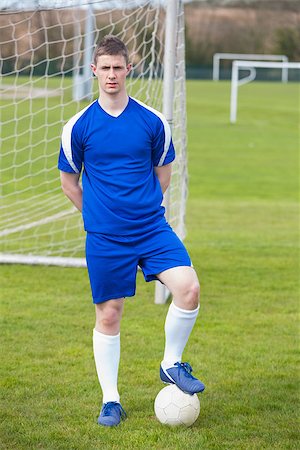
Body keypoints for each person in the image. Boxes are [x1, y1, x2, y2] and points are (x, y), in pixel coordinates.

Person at [58, 35, 205, 427]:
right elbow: (69, 182)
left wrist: (140, 209)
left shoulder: (152, 121)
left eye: (117, 68)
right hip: (105, 237)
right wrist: (100, 216)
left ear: (129, 70)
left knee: (188, 289)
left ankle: (171, 363)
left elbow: (164, 173)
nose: (111, 75)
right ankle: (111, 400)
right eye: (104, 68)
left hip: (151, 228)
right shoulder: (78, 126)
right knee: (109, 315)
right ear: (94, 71)